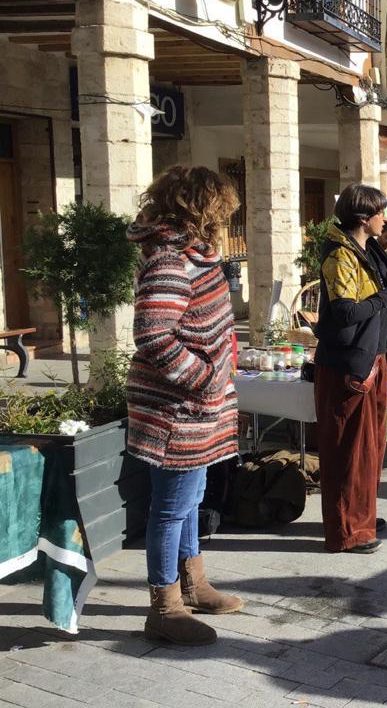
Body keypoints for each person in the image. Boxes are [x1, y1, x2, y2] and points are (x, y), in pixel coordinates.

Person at [126, 166, 244, 646]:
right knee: (171, 508)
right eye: (223, 213)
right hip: (178, 410)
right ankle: (164, 607)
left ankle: (193, 584)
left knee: (191, 500)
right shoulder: (171, 262)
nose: (227, 222)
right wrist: (202, 379)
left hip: (196, 409)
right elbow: (153, 333)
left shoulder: (193, 256)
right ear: (204, 211)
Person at [314, 184, 387, 554]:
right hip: (348, 364)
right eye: (380, 214)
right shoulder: (339, 255)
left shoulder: (366, 251)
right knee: (348, 453)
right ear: (364, 217)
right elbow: (345, 314)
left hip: (372, 358)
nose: (384, 220)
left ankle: (363, 516)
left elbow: (375, 307)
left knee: (369, 451)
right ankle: (348, 531)